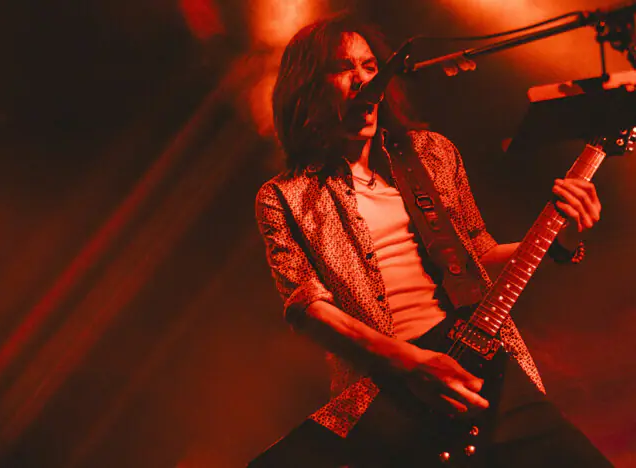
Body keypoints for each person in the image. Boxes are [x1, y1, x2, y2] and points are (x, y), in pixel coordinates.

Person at [252, 13, 612, 468]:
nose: (363, 80)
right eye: (343, 68)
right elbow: (308, 309)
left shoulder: (430, 152)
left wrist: (559, 233)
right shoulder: (284, 197)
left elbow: (479, 254)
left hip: (481, 358)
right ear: (307, 89)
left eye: (370, 66)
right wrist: (411, 362)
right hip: (387, 391)